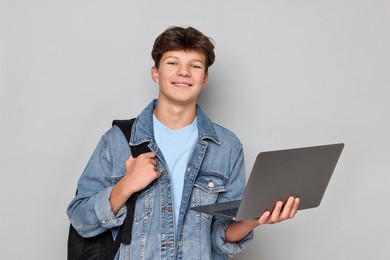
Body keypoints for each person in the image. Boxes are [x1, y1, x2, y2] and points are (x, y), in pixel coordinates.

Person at [67, 26, 300, 260]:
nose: (184, 72)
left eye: (195, 65)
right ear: (155, 73)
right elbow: (80, 220)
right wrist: (126, 185)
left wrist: (254, 219)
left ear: (204, 78)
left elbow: (220, 239)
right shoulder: (117, 141)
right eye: (172, 63)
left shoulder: (227, 147)